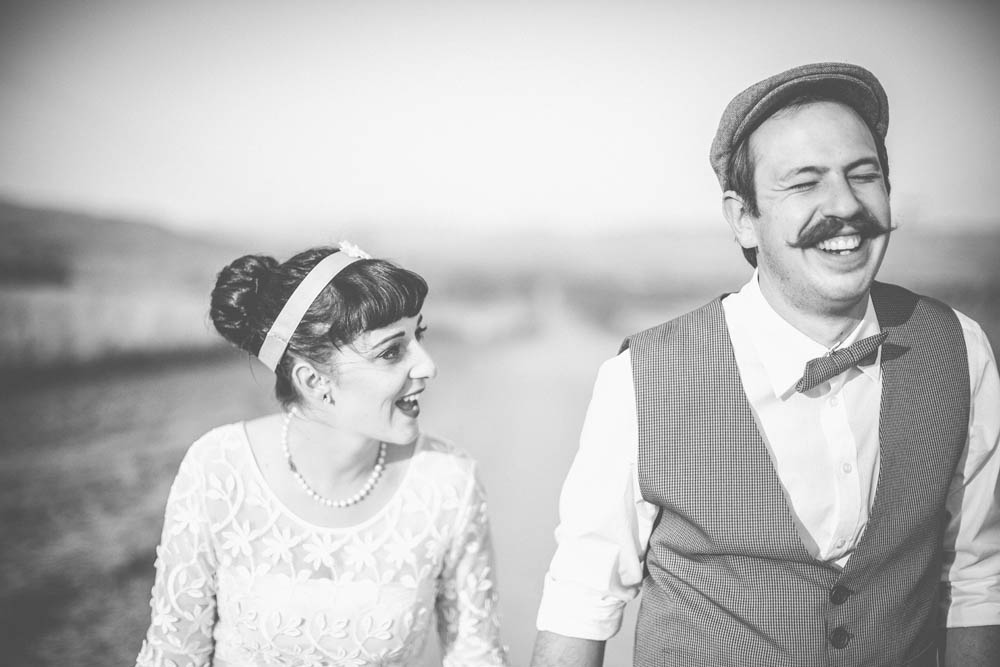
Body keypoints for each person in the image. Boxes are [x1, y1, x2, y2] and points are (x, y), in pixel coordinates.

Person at [530, 63, 1000, 666]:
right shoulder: (641, 380)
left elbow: (978, 577)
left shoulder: (960, 348)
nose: (845, 203)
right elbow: (581, 601)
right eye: (804, 183)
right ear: (743, 218)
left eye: (864, 175)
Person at [136, 241, 509, 666]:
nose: (428, 365)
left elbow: (476, 655)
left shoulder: (447, 483)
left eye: (417, 336)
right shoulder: (219, 470)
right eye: (391, 351)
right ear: (314, 382)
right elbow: (174, 655)